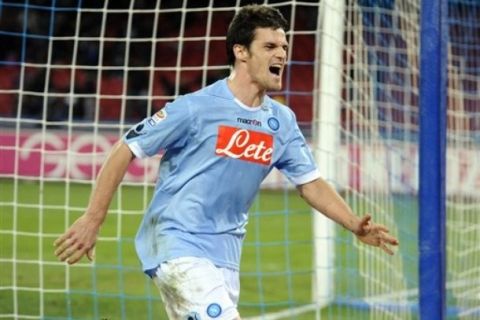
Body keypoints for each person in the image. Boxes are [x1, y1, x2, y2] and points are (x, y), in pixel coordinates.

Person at [54, 4, 399, 320]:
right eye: (269, 47)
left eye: (284, 47)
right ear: (240, 52)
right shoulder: (195, 108)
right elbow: (125, 148)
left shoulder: (282, 121)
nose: (281, 54)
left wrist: (354, 223)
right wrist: (92, 218)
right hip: (179, 245)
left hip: (224, 256)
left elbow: (310, 183)